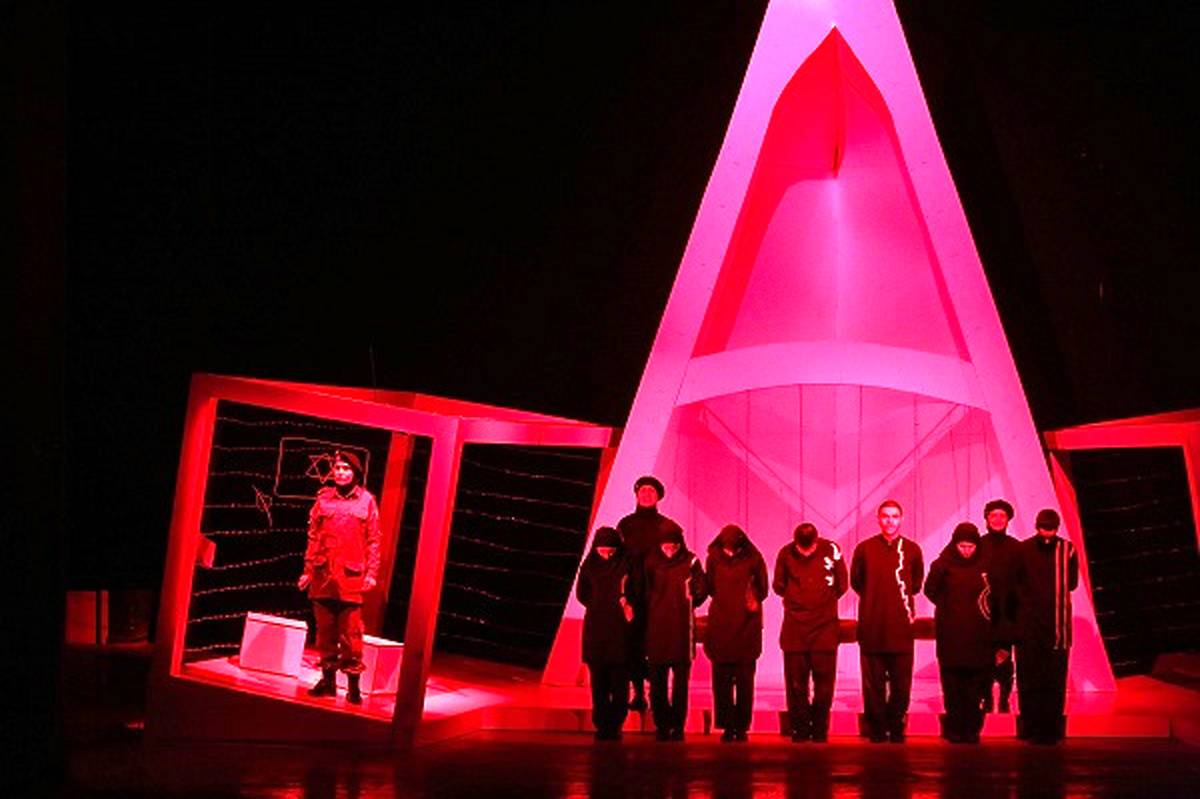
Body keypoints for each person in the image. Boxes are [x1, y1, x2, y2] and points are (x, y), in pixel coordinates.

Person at [297, 450, 381, 704]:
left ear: (356, 473)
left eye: (346, 468)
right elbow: (313, 537)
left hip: (351, 578)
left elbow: (374, 540)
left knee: (351, 635)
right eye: (338, 468)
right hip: (323, 575)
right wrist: (308, 570)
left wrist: (372, 573)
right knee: (324, 633)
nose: (341, 472)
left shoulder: (366, 501)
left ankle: (353, 686)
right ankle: (328, 682)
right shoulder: (323, 499)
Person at [850, 500, 924, 742]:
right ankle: (878, 729)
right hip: (872, 626)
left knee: (901, 684)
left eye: (894, 516)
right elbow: (856, 582)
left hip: (901, 628)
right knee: (873, 685)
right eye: (885, 516)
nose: (890, 521)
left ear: (901, 519)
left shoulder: (912, 550)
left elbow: (915, 584)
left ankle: (896, 726)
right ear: (878, 519)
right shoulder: (864, 549)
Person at [773, 522, 848, 743]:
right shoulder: (785, 553)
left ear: (817, 541)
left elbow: (842, 584)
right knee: (796, 685)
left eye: (810, 548)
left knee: (824, 685)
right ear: (795, 542)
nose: (806, 553)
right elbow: (778, 585)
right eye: (801, 549)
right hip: (795, 628)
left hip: (825, 628)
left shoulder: (832, 549)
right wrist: (797, 600)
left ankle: (820, 729)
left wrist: (823, 602)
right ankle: (800, 729)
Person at [617, 475, 683, 711]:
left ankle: (658, 693)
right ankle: (638, 693)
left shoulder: (668, 526)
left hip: (661, 596)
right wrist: (623, 597)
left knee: (657, 647)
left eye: (651, 491)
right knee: (632, 646)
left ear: (658, 497)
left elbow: (680, 561)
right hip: (634, 596)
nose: (646, 494)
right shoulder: (625, 525)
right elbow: (619, 562)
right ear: (636, 495)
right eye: (642, 491)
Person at [924, 523, 992, 743]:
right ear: (955, 544)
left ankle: (971, 730)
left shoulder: (985, 565)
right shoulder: (942, 565)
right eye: (962, 546)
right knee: (952, 687)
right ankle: (954, 729)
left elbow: (992, 597)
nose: (966, 551)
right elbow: (929, 590)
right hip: (951, 636)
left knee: (974, 688)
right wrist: (948, 606)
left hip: (978, 636)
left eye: (971, 546)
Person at [1015, 508, 1078, 745]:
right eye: (1044, 528)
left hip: (1057, 628)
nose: (1047, 533)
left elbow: (1072, 583)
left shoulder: (1068, 549)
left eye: (1050, 529)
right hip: (1030, 627)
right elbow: (1017, 584)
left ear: (1057, 528)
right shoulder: (1024, 550)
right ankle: (1031, 727)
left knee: (1054, 680)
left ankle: (1050, 729)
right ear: (1036, 526)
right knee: (1030, 679)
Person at [703, 524, 768, 742]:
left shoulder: (753, 559)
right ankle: (727, 726)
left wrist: (749, 598)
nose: (730, 552)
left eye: (733, 548)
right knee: (721, 683)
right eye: (727, 548)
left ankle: (740, 727)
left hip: (746, 626)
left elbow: (763, 589)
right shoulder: (714, 558)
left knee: (744, 683)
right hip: (722, 625)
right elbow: (710, 587)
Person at [643, 527, 707, 740]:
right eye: (666, 546)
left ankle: (677, 726)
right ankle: (662, 726)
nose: (669, 550)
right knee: (658, 685)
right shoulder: (651, 562)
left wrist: (691, 600)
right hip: (658, 629)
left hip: (681, 631)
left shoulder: (690, 561)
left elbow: (701, 588)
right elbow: (643, 591)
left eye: (673, 546)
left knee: (680, 686)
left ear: (680, 545)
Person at [576, 526, 636, 741]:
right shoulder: (589, 565)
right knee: (599, 684)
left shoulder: (626, 564)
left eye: (611, 551)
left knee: (620, 684)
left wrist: (626, 604)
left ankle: (616, 723)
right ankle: (602, 724)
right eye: (603, 551)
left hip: (620, 631)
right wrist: (597, 605)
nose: (607, 555)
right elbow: (582, 594)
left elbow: (636, 590)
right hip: (596, 630)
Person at [978, 498, 1021, 713]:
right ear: (986, 518)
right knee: (983, 661)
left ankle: (1004, 700)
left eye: (1002, 515)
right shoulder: (978, 545)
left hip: (1007, 615)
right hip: (981, 615)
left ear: (1008, 519)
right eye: (993, 515)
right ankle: (986, 699)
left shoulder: (1017, 548)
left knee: (1004, 660)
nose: (997, 519)